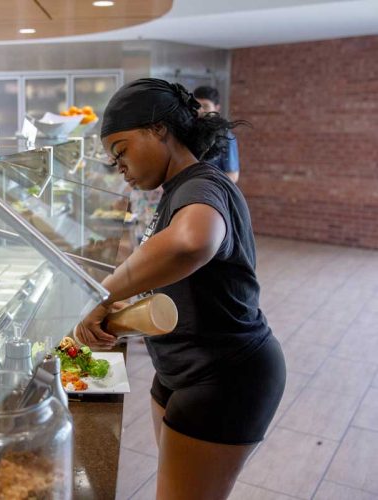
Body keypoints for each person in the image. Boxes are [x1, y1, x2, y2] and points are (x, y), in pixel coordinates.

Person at [74, 79, 285, 500]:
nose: (120, 167)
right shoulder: (175, 191)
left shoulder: (201, 184)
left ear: (158, 129)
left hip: (227, 376)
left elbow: (194, 242)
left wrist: (103, 293)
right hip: (181, 369)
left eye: (121, 151)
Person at [193, 86, 240, 184]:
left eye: (205, 106)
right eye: (197, 106)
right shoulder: (190, 131)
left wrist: (206, 186)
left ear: (217, 108)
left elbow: (233, 175)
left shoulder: (226, 137)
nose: (201, 111)